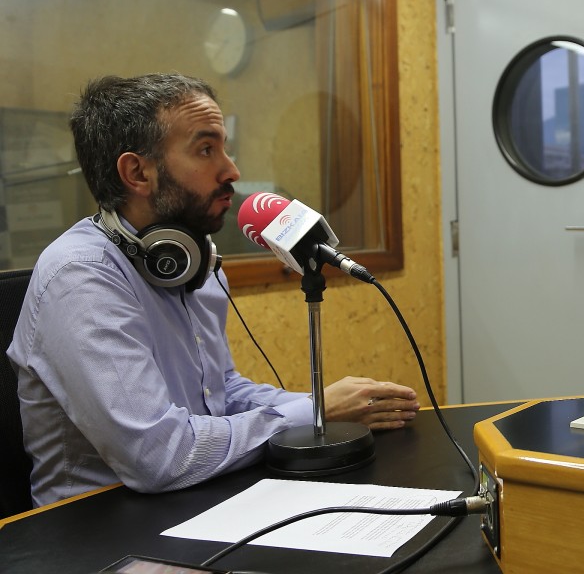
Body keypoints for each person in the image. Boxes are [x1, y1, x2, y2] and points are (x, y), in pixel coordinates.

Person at [7, 73, 419, 507]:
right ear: (137, 172)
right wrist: (314, 412)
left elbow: (219, 391)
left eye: (224, 147)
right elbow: (159, 455)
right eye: (206, 150)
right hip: (94, 527)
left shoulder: (193, 262)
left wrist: (320, 404)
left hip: (189, 500)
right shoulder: (80, 277)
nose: (232, 171)